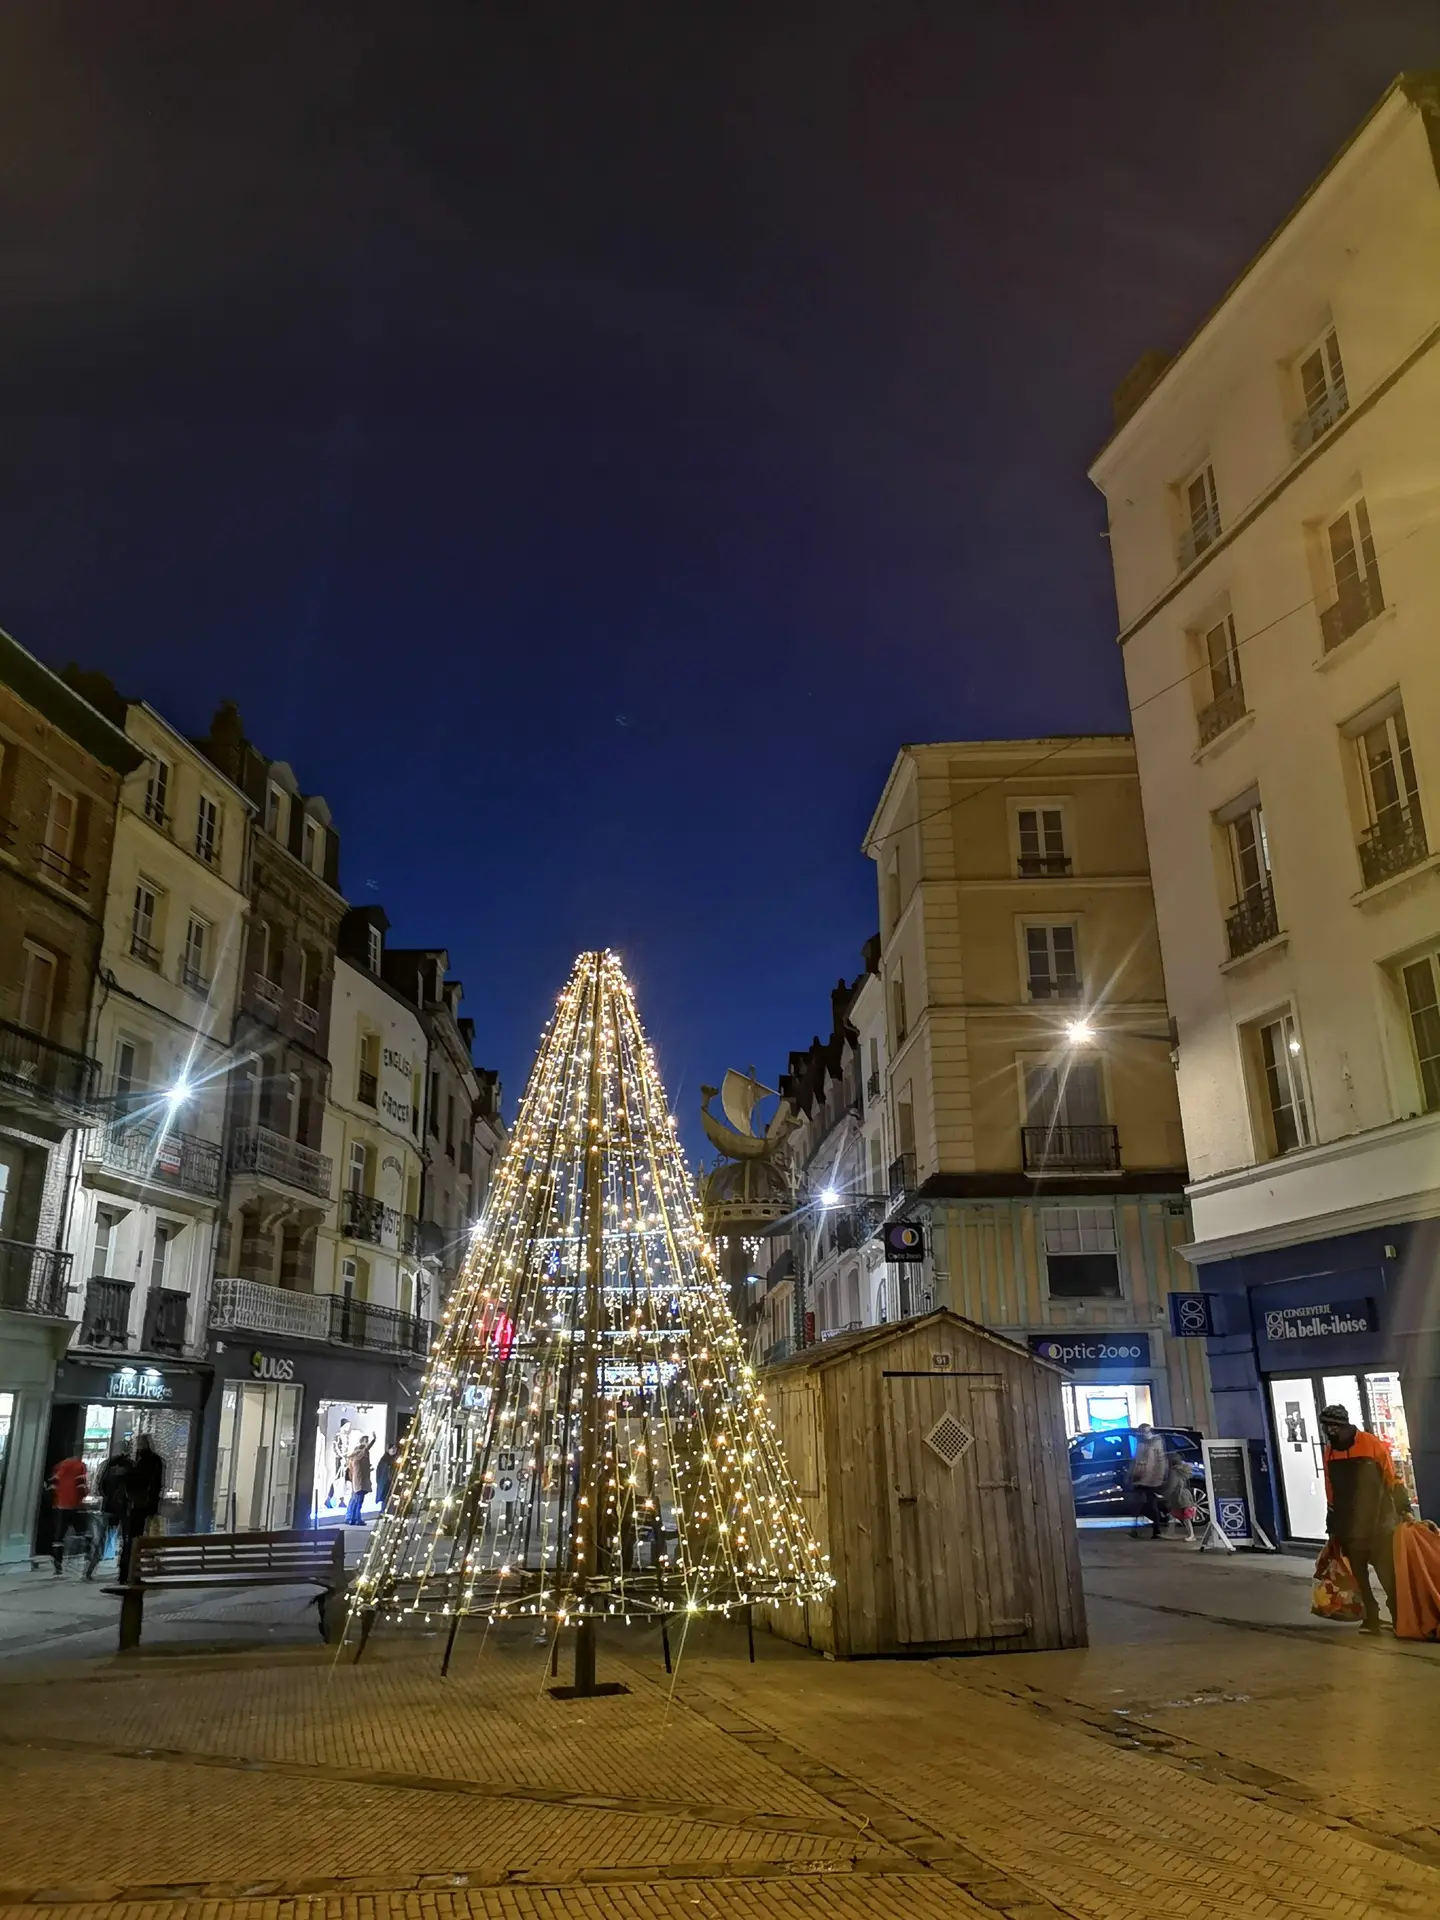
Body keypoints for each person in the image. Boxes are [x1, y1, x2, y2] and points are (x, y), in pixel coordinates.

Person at [1320, 1403, 1410, 1634]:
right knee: (1358, 1576)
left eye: (1333, 1428)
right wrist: (1332, 1525)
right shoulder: (1329, 1452)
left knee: (1387, 1574)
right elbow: (1330, 1490)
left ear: (1345, 1426)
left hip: (1379, 1523)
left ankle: (1400, 1618)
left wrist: (1404, 1508)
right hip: (1349, 1526)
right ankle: (1371, 1617)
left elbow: (1392, 1478)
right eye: (1326, 1428)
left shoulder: (1372, 1444)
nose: (1330, 1433)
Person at [120, 1432, 165, 1582]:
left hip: (132, 1507)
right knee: (140, 1540)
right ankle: (135, 1571)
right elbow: (156, 1485)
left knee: (131, 1541)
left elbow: (127, 1483)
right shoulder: (154, 1461)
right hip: (143, 1506)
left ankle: (126, 1573)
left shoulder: (132, 1461)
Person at [86, 1443, 132, 1579]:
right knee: (125, 1540)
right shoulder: (130, 1467)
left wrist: (107, 1497)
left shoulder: (108, 1465)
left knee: (100, 1540)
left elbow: (100, 1486)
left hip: (108, 1507)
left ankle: (89, 1571)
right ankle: (124, 1573)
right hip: (123, 1508)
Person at [47, 1452, 91, 1575]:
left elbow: (52, 1486)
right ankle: (85, 1560)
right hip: (76, 1506)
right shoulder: (80, 1466)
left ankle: (58, 1564)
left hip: (60, 1506)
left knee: (59, 1537)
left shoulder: (58, 1466)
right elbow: (82, 1487)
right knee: (84, 1533)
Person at [1130, 1424, 1168, 1539]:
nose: (1142, 1434)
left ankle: (1157, 1527)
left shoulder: (1156, 1442)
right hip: (1140, 1478)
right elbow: (1136, 1460)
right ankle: (1137, 1529)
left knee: (1151, 1504)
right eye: (1141, 1432)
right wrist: (1132, 1473)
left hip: (1152, 1479)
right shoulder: (1140, 1443)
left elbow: (1161, 1461)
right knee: (1139, 1504)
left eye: (1144, 1432)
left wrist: (1159, 1477)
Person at [1162, 1448, 1197, 1543]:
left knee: (1185, 1517)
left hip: (1179, 1497)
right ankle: (1171, 1532)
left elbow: (1172, 1485)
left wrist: (1164, 1495)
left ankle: (1191, 1535)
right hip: (1185, 1495)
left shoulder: (1174, 1472)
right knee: (1175, 1515)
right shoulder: (1182, 1471)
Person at [345, 1434, 373, 1525]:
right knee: (358, 1500)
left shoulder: (358, 1454)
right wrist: (374, 1440)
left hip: (359, 1480)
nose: (367, 1443)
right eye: (366, 1441)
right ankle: (356, 1518)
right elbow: (366, 1448)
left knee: (356, 1499)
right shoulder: (360, 1453)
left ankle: (351, 1518)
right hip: (360, 1481)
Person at [374, 1446, 396, 1510]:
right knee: (385, 1496)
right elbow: (380, 1470)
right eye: (392, 1449)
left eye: (395, 1449)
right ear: (388, 1450)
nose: (393, 1450)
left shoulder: (395, 1458)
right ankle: (384, 1509)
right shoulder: (384, 1459)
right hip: (385, 1481)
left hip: (392, 1481)